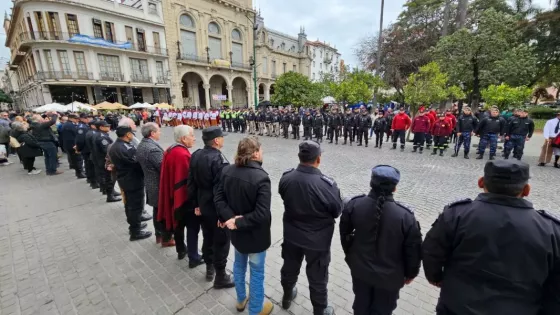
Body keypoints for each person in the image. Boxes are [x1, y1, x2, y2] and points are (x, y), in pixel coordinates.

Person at [423, 160, 560, 315]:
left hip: (457, 307)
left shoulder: (456, 215)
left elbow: (432, 251)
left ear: (481, 182)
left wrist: (435, 277)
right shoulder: (552, 231)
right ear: (527, 189)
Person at [340, 165, 422, 315]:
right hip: (389, 278)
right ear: (395, 188)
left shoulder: (354, 205)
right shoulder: (406, 217)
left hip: (360, 270)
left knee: (360, 305)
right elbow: (413, 251)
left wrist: (351, 256)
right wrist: (411, 273)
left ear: (371, 183)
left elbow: (344, 236)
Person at [278, 140, 343, 315]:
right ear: (318, 159)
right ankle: (320, 310)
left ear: (300, 157)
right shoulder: (326, 185)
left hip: (292, 236)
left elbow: (283, 195)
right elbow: (337, 210)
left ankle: (286, 297)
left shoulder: (286, 177)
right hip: (317, 241)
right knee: (318, 277)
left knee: (289, 268)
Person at [214, 136, 273, 315]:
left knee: (239, 266)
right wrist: (236, 220)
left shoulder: (228, 170)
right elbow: (262, 214)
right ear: (255, 153)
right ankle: (255, 309)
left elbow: (218, 199)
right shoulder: (261, 177)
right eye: (261, 150)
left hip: (237, 233)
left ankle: (241, 300)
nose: (262, 153)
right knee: (256, 272)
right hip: (254, 236)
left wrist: (230, 219)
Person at [188, 126, 234, 288]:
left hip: (203, 205)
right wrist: (224, 216)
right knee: (221, 240)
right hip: (216, 207)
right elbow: (222, 191)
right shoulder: (219, 160)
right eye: (221, 137)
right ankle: (220, 276)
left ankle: (209, 268)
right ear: (216, 140)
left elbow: (191, 183)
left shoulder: (196, 155)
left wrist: (196, 204)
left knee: (207, 236)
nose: (223, 139)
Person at [158, 125, 203, 267]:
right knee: (192, 227)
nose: (194, 138)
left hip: (174, 197)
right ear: (183, 138)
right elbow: (187, 181)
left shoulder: (171, 149)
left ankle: (181, 250)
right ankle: (194, 257)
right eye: (192, 135)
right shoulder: (182, 154)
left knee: (178, 225)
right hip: (183, 199)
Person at [109, 126, 152, 241]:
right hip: (131, 180)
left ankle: (135, 224)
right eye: (131, 133)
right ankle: (135, 231)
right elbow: (136, 162)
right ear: (127, 134)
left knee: (131, 205)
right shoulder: (123, 148)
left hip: (127, 178)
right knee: (135, 206)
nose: (133, 135)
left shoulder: (118, 145)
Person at [136, 123, 172, 246]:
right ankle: (165, 238)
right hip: (157, 185)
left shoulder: (143, 144)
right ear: (152, 133)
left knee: (157, 210)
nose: (160, 133)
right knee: (162, 211)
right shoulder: (152, 149)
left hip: (151, 183)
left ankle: (160, 235)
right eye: (158, 131)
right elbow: (164, 167)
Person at [92, 121, 121, 202]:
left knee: (110, 178)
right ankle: (110, 196)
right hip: (104, 160)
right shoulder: (102, 137)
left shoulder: (100, 134)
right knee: (109, 179)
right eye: (106, 126)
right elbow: (107, 150)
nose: (109, 127)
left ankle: (112, 192)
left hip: (101, 159)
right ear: (101, 127)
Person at [61, 114, 86, 179]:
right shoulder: (70, 125)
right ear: (71, 118)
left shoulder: (67, 124)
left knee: (75, 159)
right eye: (76, 119)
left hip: (68, 145)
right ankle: (79, 173)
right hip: (72, 145)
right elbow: (75, 135)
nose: (77, 120)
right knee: (78, 159)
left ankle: (80, 171)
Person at [84, 120, 99, 189]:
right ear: (92, 126)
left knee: (91, 168)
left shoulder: (90, 132)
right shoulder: (92, 133)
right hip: (93, 154)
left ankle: (93, 182)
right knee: (93, 169)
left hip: (91, 153)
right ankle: (94, 183)